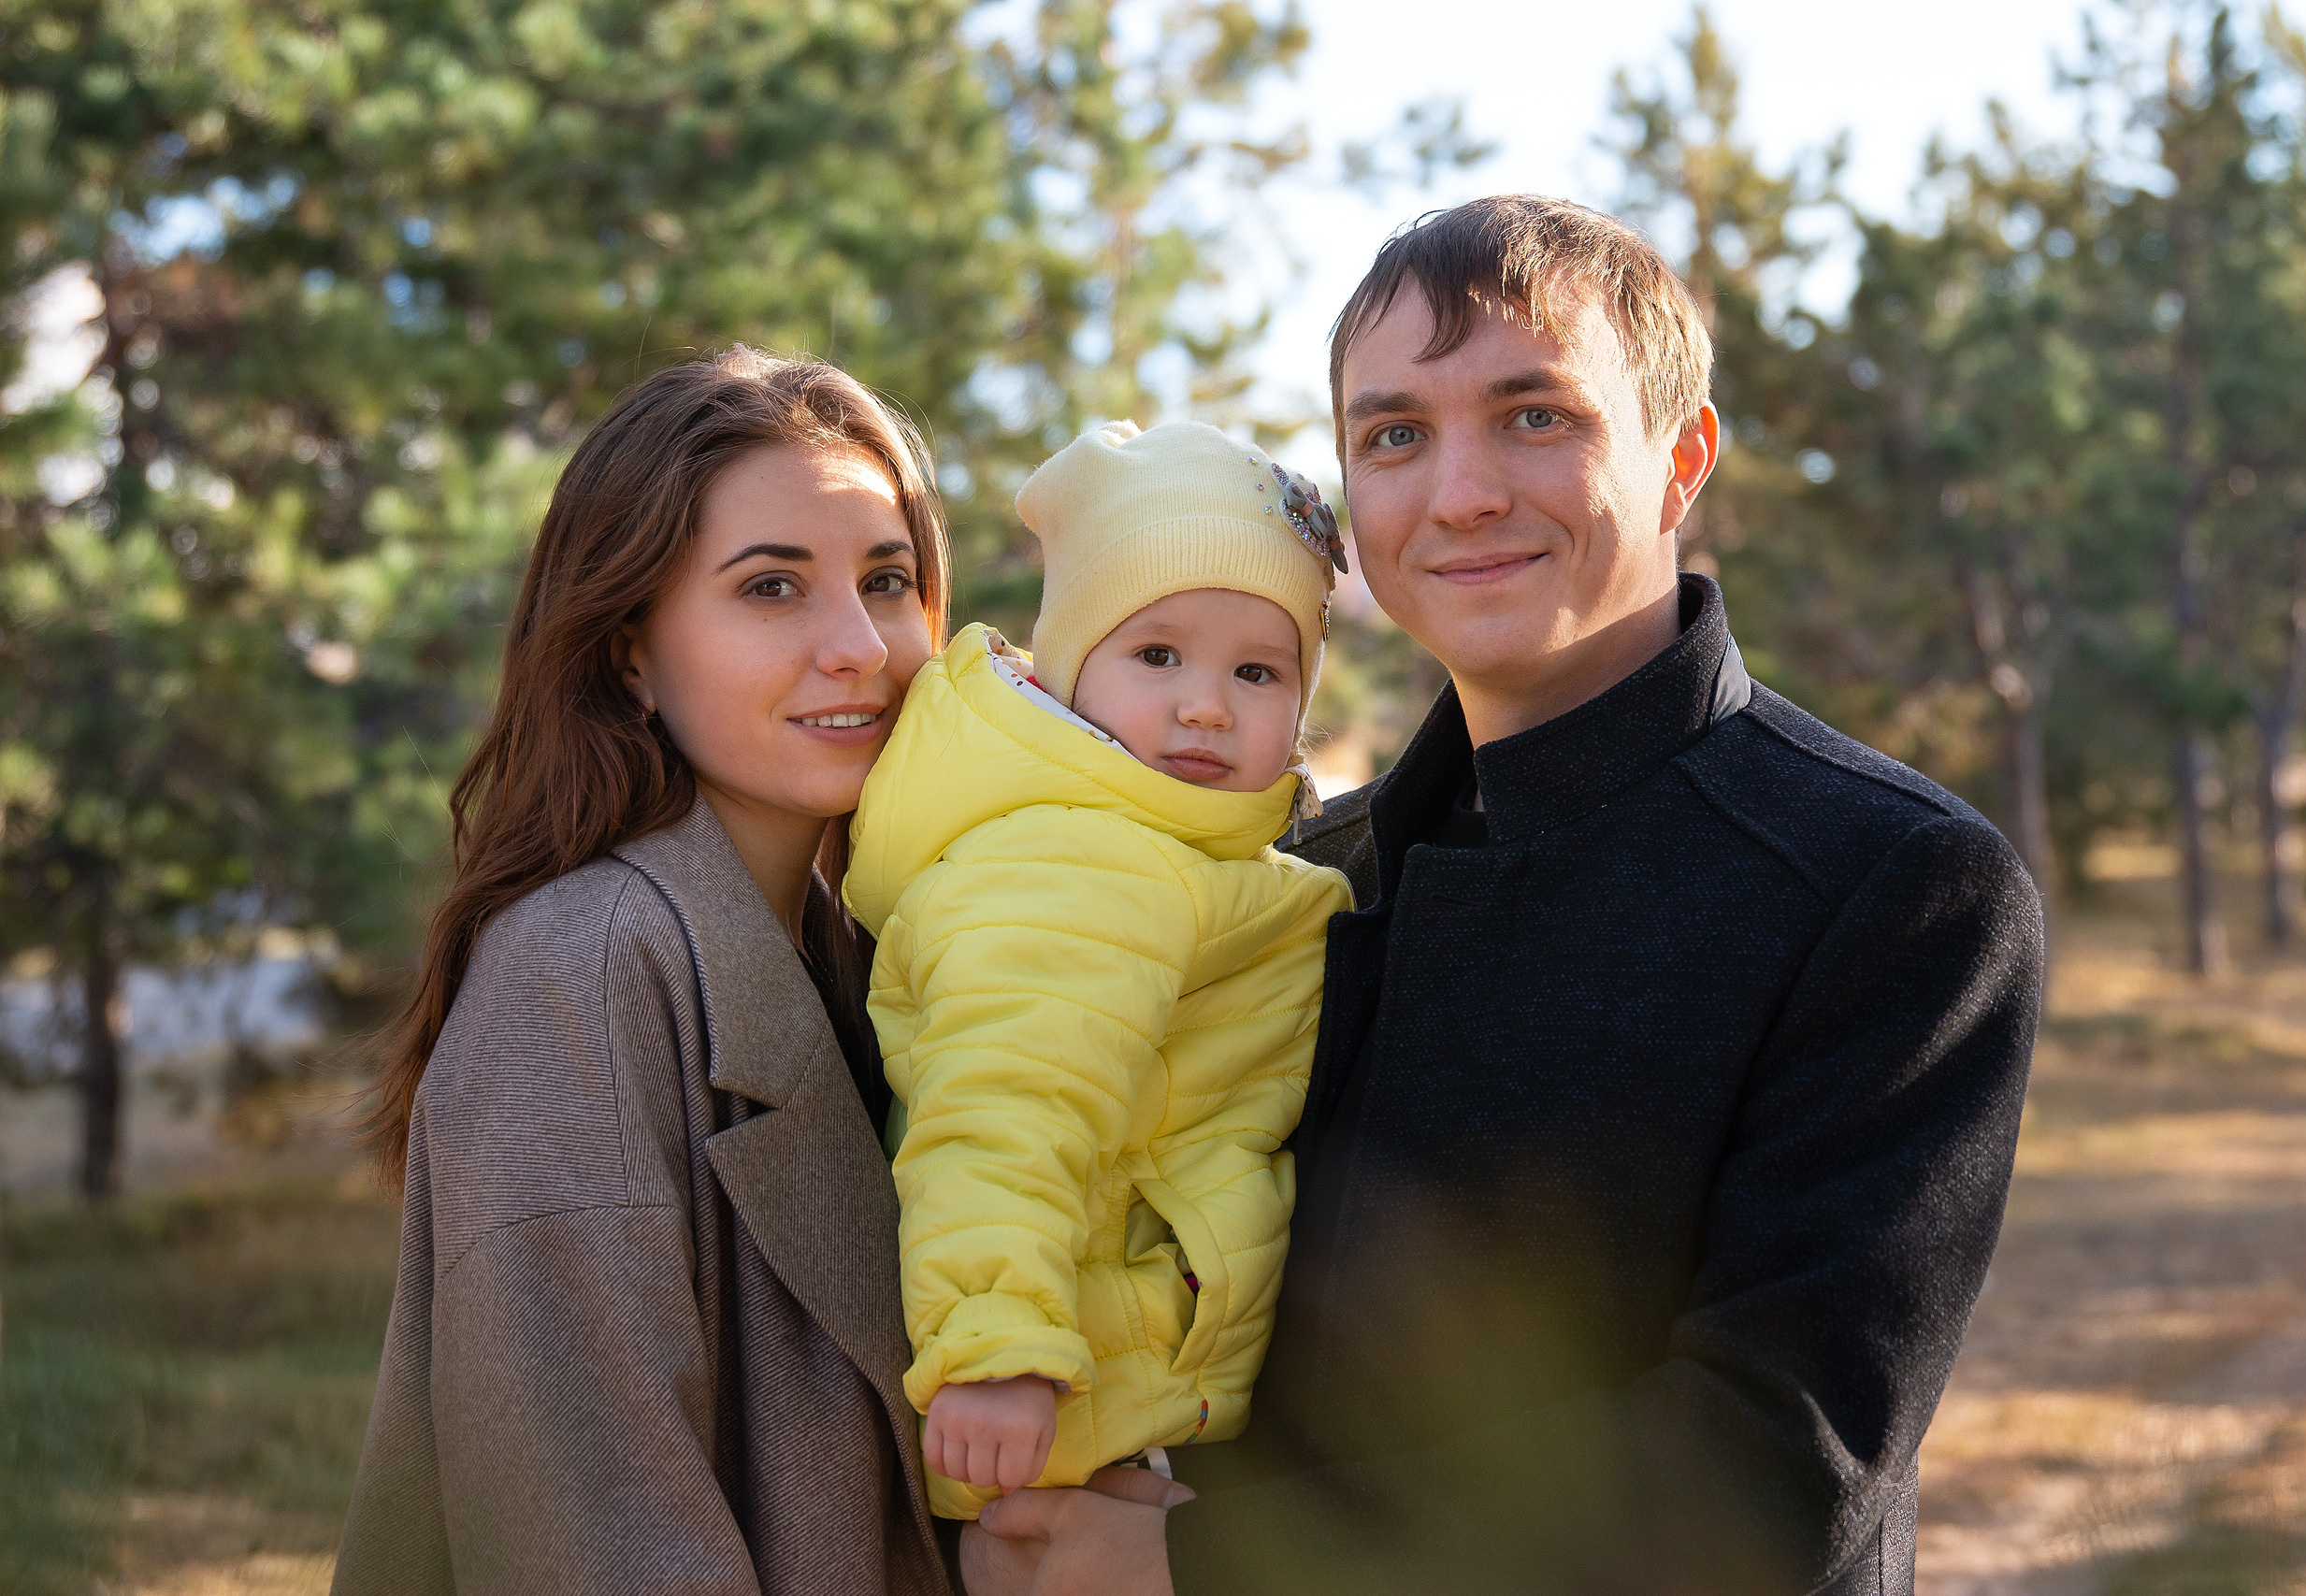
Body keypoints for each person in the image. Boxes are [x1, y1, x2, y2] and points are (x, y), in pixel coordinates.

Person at [964, 196, 2043, 1596]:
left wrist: (1198, 1555)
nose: (1459, 491)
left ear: (1683, 457)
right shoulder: (1294, 876)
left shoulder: (1891, 881)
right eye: (1394, 434)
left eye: (1536, 415)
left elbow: (1769, 1466)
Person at [333, 349, 956, 1595]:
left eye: (887, 581)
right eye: (772, 586)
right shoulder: (584, 966)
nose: (861, 646)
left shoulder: (874, 950)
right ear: (629, 652)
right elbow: (596, 1533)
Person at [841, 420, 1351, 1520]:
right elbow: (1005, 1105)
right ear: (1067, 670)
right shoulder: (1074, 863)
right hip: (1054, 1413)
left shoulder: (1172, 854)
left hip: (1120, 1401)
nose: (1207, 704)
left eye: (1257, 670)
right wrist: (997, 1346)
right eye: (1156, 654)